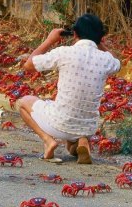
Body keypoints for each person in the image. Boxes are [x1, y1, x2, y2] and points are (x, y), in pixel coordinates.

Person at [17, 14, 120, 164]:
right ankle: (82, 141)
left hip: (60, 124)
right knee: (72, 141)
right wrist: (99, 44)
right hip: (88, 127)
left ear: (75, 33)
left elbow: (28, 65)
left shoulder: (65, 52)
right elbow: (117, 62)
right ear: (100, 37)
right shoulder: (106, 59)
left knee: (23, 102)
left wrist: (49, 40)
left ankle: (48, 141)